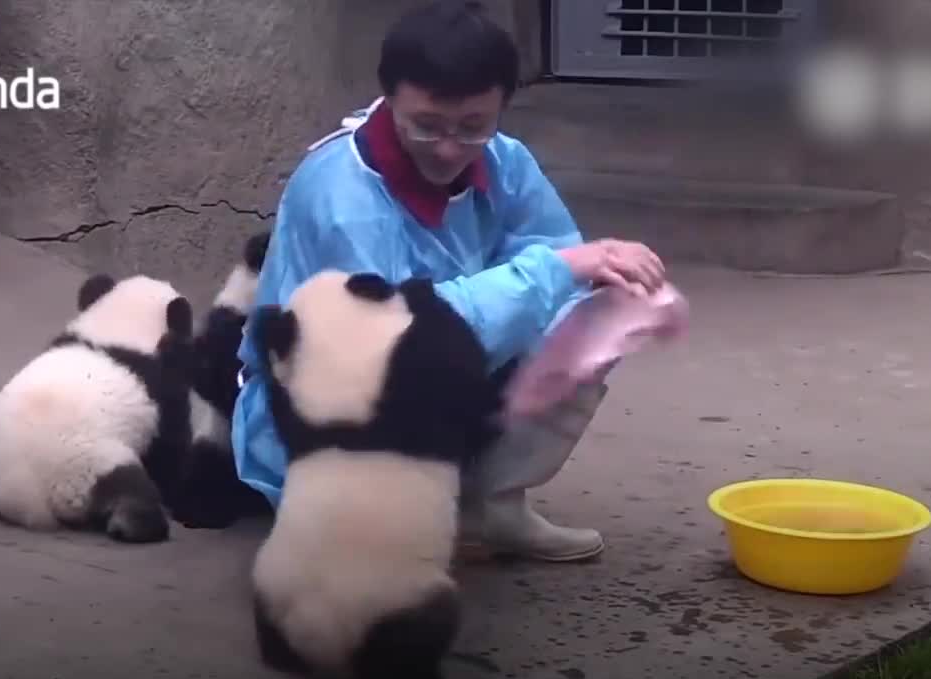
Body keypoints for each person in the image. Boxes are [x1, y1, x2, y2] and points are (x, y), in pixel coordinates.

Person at [229, 0, 666, 563]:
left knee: (605, 309)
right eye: (427, 125)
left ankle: (492, 501)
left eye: (474, 126)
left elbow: (551, 256)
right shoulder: (345, 195)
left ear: (504, 106)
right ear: (389, 98)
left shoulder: (506, 161)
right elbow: (393, 345)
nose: (450, 149)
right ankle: (388, 512)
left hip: (444, 366)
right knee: (371, 568)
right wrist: (559, 270)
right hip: (334, 415)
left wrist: (591, 276)